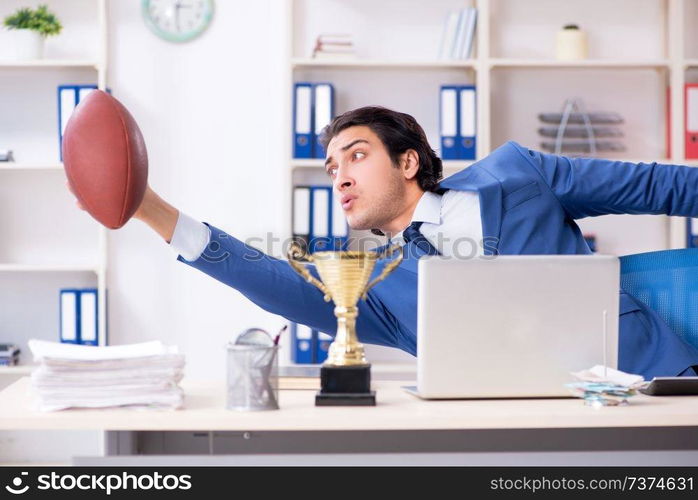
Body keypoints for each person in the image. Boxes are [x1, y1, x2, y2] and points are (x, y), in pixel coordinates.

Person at [73, 106, 698, 379]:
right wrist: (153, 211)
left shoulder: (520, 174)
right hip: (508, 429)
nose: (339, 173)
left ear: (407, 163)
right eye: (330, 166)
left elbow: (662, 187)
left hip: (644, 386)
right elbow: (272, 284)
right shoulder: (379, 291)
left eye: (356, 154)